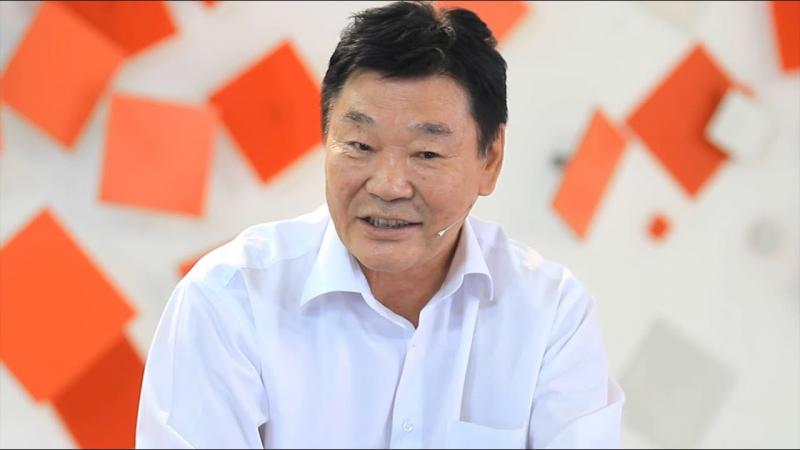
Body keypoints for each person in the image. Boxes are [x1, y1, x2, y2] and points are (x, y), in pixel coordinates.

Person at [136, 1, 624, 448]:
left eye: (426, 153)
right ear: (325, 138)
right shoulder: (229, 299)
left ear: (490, 159)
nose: (388, 185)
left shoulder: (550, 314)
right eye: (360, 146)